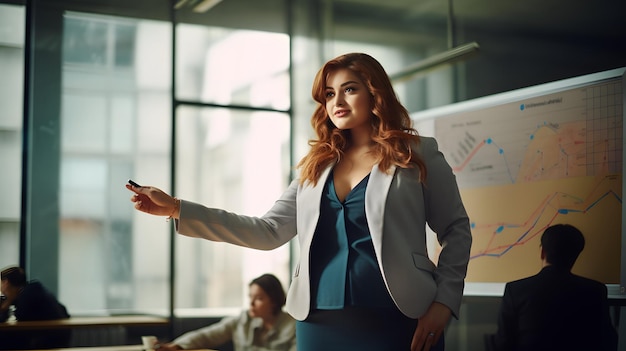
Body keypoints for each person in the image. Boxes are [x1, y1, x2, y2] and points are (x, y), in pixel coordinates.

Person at [126, 52, 472, 351]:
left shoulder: (416, 153)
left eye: (349, 89)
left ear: (375, 92)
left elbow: (456, 229)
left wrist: (444, 302)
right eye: (329, 93)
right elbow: (267, 231)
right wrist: (176, 208)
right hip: (319, 324)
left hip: (400, 316)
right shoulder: (317, 166)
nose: (337, 101)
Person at [491, 224, 618, 351]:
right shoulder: (595, 291)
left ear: (542, 252)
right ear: (575, 256)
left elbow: (503, 343)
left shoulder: (515, 290)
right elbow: (608, 342)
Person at [156, 273, 295, 351]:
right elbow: (208, 335)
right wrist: (177, 345)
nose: (251, 303)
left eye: (258, 298)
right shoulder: (243, 319)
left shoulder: (293, 327)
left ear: (274, 300)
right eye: (250, 297)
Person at [0, 266, 71, 349]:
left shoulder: (28, 296)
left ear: (6, 283)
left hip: (50, 340)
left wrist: (6, 305)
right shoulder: (32, 290)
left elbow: (21, 326)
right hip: (57, 336)